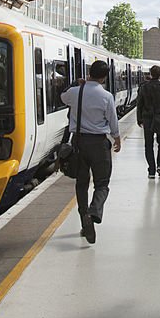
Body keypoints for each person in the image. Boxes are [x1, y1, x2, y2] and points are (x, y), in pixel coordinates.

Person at [61, 60, 121, 245]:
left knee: (81, 184)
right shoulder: (106, 96)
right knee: (102, 183)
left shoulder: (75, 92)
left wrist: (76, 84)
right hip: (99, 144)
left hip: (78, 143)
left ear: (89, 73)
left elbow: (62, 97)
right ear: (104, 77)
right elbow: (112, 119)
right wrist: (117, 137)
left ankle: (84, 218)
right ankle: (94, 210)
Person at [137, 65, 160, 178]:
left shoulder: (143, 87)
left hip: (148, 119)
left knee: (148, 144)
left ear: (150, 74)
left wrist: (139, 119)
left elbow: (140, 104)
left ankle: (151, 170)